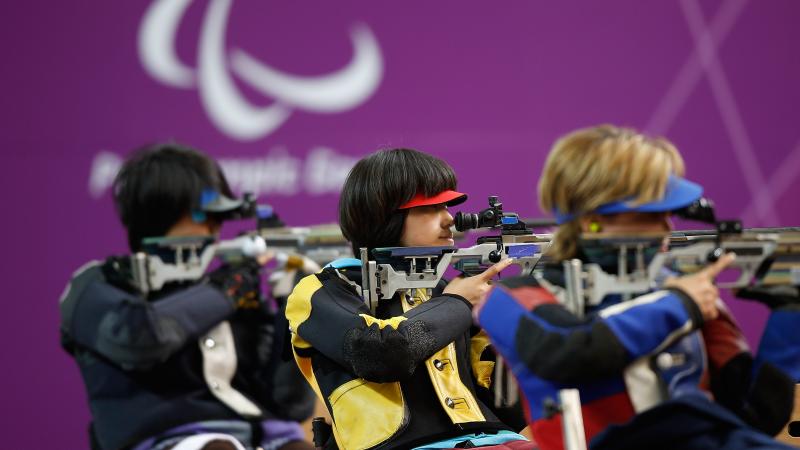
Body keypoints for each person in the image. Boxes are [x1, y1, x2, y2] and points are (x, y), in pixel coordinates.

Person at [477, 125, 799, 450]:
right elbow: (568, 353)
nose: (666, 228)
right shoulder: (512, 298)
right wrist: (680, 304)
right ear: (593, 219)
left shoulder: (680, 291)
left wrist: (789, 315)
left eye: (668, 214)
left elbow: (756, 415)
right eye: (650, 215)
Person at [59, 143, 315, 450]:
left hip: (264, 435)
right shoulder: (99, 285)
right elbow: (140, 337)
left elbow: (289, 404)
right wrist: (226, 291)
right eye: (202, 213)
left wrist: (297, 311)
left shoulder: (231, 287)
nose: (214, 227)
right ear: (162, 209)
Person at [285, 148, 536, 450]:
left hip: (489, 437)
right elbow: (380, 355)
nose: (449, 220)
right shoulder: (324, 289)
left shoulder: (446, 289)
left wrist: (522, 321)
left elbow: (502, 398)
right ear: (384, 213)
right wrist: (457, 304)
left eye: (447, 206)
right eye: (431, 208)